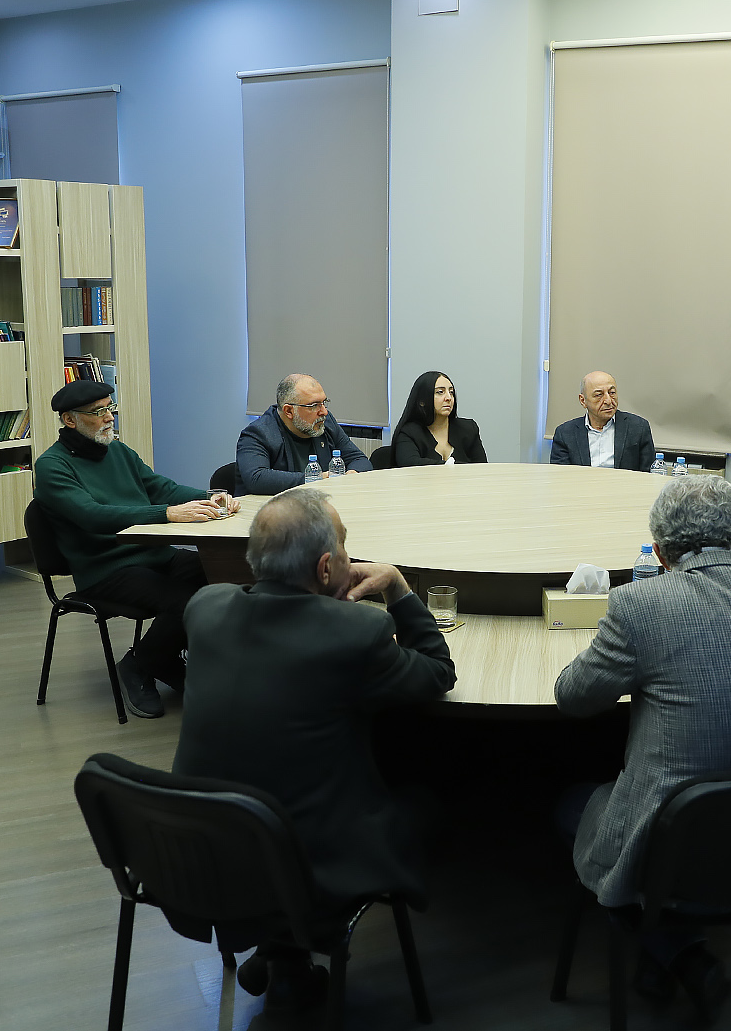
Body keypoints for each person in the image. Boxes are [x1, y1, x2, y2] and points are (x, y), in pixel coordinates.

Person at [554, 475, 731, 1022]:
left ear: (659, 553)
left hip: (683, 844)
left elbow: (573, 697)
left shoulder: (639, 606)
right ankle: (676, 954)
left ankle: (678, 950)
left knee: (570, 804)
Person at [173, 486, 455, 1006]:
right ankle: (292, 942)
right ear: (326, 567)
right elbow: (438, 672)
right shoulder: (358, 630)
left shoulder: (205, 607)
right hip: (307, 868)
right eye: (345, 544)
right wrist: (396, 586)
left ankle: (282, 952)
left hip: (202, 855)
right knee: (428, 802)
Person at [33, 379, 234, 719]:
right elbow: (92, 515)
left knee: (225, 576)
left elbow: (161, 488)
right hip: (105, 569)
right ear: (69, 420)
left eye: (110, 408)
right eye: (98, 412)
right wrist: (166, 514)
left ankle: (163, 658)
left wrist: (210, 496)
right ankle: (138, 665)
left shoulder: (118, 451)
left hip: (154, 555)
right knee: (186, 602)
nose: (109, 417)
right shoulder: (52, 466)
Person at [235, 373, 375, 494]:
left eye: (324, 402)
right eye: (314, 406)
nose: (324, 412)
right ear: (289, 411)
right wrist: (318, 478)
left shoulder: (325, 423)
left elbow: (360, 460)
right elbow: (257, 478)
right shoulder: (258, 434)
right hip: (269, 511)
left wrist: (351, 475)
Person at [550, 371, 657, 471]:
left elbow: (648, 474)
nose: (608, 401)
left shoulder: (638, 427)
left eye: (612, 393)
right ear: (583, 401)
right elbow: (562, 476)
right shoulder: (565, 433)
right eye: (599, 395)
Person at [392, 370, 488, 466]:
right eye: (440, 392)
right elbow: (409, 464)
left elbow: (482, 467)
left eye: (451, 392)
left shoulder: (468, 429)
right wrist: (449, 466)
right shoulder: (409, 432)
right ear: (422, 401)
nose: (448, 398)